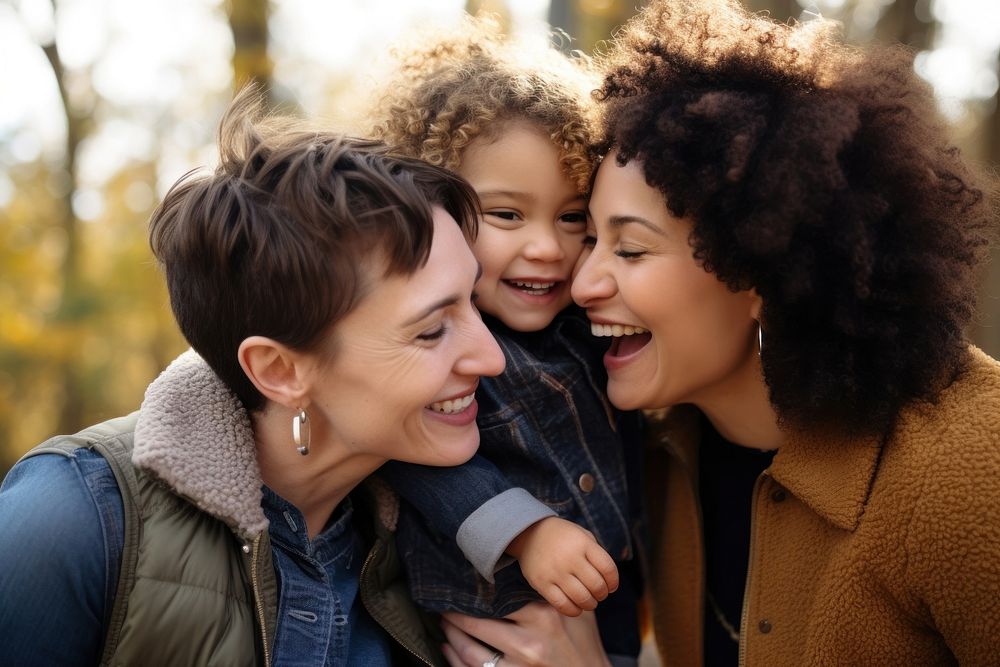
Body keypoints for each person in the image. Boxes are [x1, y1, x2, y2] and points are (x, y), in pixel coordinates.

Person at [0, 87, 509, 666]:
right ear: (281, 371)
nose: (492, 358)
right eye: (430, 330)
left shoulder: (452, 533)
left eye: (474, 301)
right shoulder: (70, 521)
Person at [568, 0, 1000, 664]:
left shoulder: (967, 469)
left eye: (629, 250)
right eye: (590, 238)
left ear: (758, 267)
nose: (583, 283)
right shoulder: (649, 458)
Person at [365, 16, 645, 666]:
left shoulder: (592, 325)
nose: (546, 247)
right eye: (507, 215)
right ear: (429, 210)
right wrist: (526, 531)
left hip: (610, 625)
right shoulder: (436, 344)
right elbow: (412, 453)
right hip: (488, 627)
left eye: (572, 216)